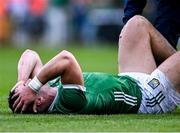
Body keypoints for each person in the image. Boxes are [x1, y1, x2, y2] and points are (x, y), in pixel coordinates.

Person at [9, 15, 180, 114]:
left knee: (136, 24)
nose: (31, 82)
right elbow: (66, 60)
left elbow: (29, 54)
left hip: (131, 79)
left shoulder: (47, 87)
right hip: (149, 97)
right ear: (38, 102)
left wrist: (21, 81)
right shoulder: (68, 102)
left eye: (27, 84)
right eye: (29, 86)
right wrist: (31, 88)